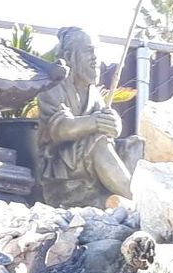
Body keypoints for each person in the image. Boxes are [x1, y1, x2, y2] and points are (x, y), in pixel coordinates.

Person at [37, 28, 138, 207]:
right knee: (97, 142)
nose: (95, 58)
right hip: (61, 163)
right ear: (68, 56)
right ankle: (136, 199)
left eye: (96, 52)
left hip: (84, 160)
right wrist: (95, 122)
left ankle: (127, 195)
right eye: (89, 51)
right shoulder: (53, 87)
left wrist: (113, 125)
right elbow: (61, 128)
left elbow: (107, 129)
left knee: (134, 144)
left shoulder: (93, 94)